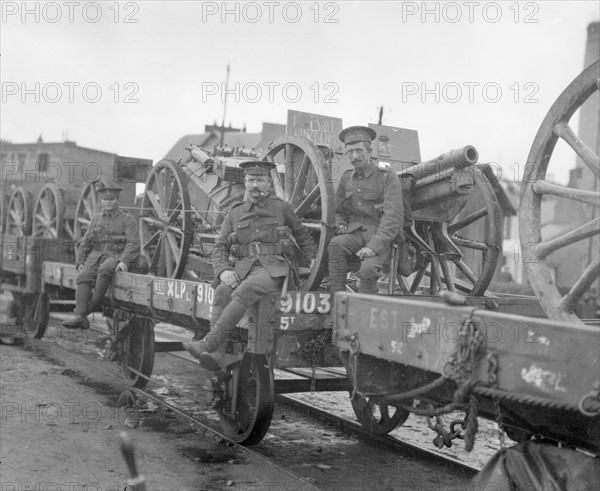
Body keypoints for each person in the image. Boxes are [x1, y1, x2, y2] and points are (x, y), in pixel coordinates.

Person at [183, 160, 317, 371]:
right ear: (245, 182)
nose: (256, 185)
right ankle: (217, 354)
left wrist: (312, 259)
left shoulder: (282, 208)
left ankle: (207, 344)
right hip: (244, 268)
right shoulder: (234, 213)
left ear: (268, 184)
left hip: (274, 268)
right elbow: (219, 247)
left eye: (261, 180)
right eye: (252, 180)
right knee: (221, 291)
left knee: (245, 290)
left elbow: (303, 235)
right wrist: (224, 270)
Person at [328, 126, 404, 295]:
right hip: (355, 233)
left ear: (369, 151)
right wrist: (340, 222)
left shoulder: (386, 176)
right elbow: (339, 210)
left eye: (359, 151)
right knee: (335, 245)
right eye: (350, 152)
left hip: (380, 236)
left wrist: (373, 247)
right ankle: (337, 301)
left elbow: (393, 218)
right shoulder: (347, 177)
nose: (354, 156)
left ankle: (364, 313)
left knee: (368, 269)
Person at [63, 187, 141, 329]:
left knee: (105, 270)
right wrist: (80, 259)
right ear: (101, 201)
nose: (108, 203)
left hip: (117, 253)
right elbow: (86, 240)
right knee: (83, 276)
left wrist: (124, 261)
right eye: (105, 200)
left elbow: (133, 243)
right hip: (97, 253)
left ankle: (89, 308)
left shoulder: (127, 219)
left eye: (111, 200)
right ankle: (80, 317)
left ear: (117, 200)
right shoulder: (96, 218)